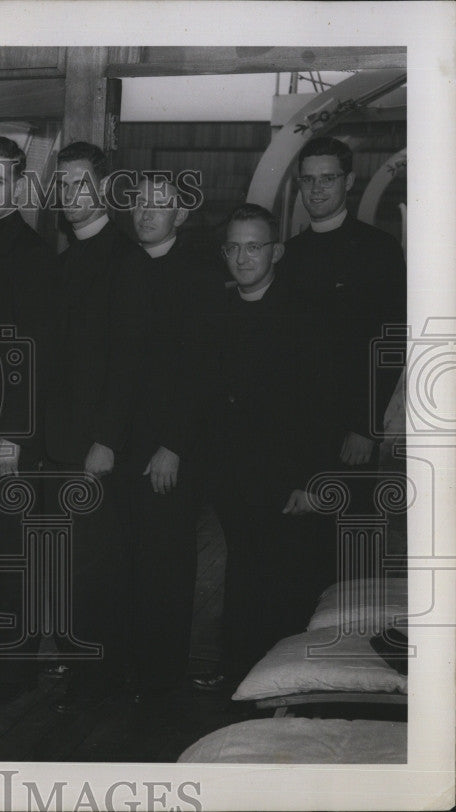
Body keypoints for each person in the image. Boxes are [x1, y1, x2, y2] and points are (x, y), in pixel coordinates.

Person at [201, 204, 339, 689]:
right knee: (243, 575)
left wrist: (311, 481)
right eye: (234, 247)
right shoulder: (218, 311)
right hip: (236, 478)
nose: (243, 257)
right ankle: (239, 672)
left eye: (254, 246)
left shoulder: (306, 315)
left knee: (287, 585)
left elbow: (326, 407)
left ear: (276, 251)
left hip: (290, 479)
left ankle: (286, 687)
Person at [41, 142, 142, 711]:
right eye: (62, 184)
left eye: (80, 183)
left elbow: (129, 364)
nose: (69, 194)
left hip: (98, 448)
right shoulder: (65, 259)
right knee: (71, 566)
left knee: (100, 570)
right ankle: (87, 673)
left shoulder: (124, 261)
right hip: (60, 445)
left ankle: (100, 683)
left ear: (104, 188)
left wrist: (107, 440)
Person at [118, 174, 225, 704]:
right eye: (139, 204)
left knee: (165, 565)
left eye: (160, 206)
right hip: (123, 444)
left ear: (181, 215)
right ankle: (129, 673)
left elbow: (204, 372)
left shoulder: (200, 276)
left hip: (169, 450)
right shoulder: (126, 267)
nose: (146, 214)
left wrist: (174, 445)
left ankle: (160, 681)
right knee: (129, 563)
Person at [0, 136, 57, 706]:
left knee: (11, 554)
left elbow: (36, 352)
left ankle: (15, 666)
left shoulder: (32, 254)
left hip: (8, 434)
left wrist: (14, 434)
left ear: (19, 187)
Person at [281, 136, 406, 472]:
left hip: (351, 433)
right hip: (293, 428)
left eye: (328, 178)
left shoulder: (379, 249)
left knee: (349, 520)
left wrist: (366, 426)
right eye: (308, 179)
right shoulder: (288, 255)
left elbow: (392, 340)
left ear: (348, 181)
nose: (316, 189)